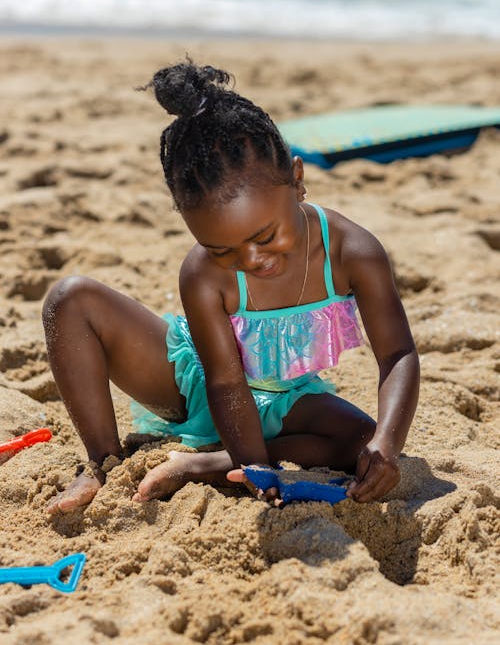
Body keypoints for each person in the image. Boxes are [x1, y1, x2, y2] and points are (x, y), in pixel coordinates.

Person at [43, 60, 419, 515]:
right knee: (70, 299)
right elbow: (224, 382)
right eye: (221, 249)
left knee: (363, 438)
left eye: (264, 236)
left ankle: (209, 463)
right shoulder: (201, 275)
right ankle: (103, 463)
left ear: (297, 181)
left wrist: (387, 444)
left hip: (288, 399)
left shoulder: (354, 252)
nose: (250, 260)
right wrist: (256, 467)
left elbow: (398, 355)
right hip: (197, 381)